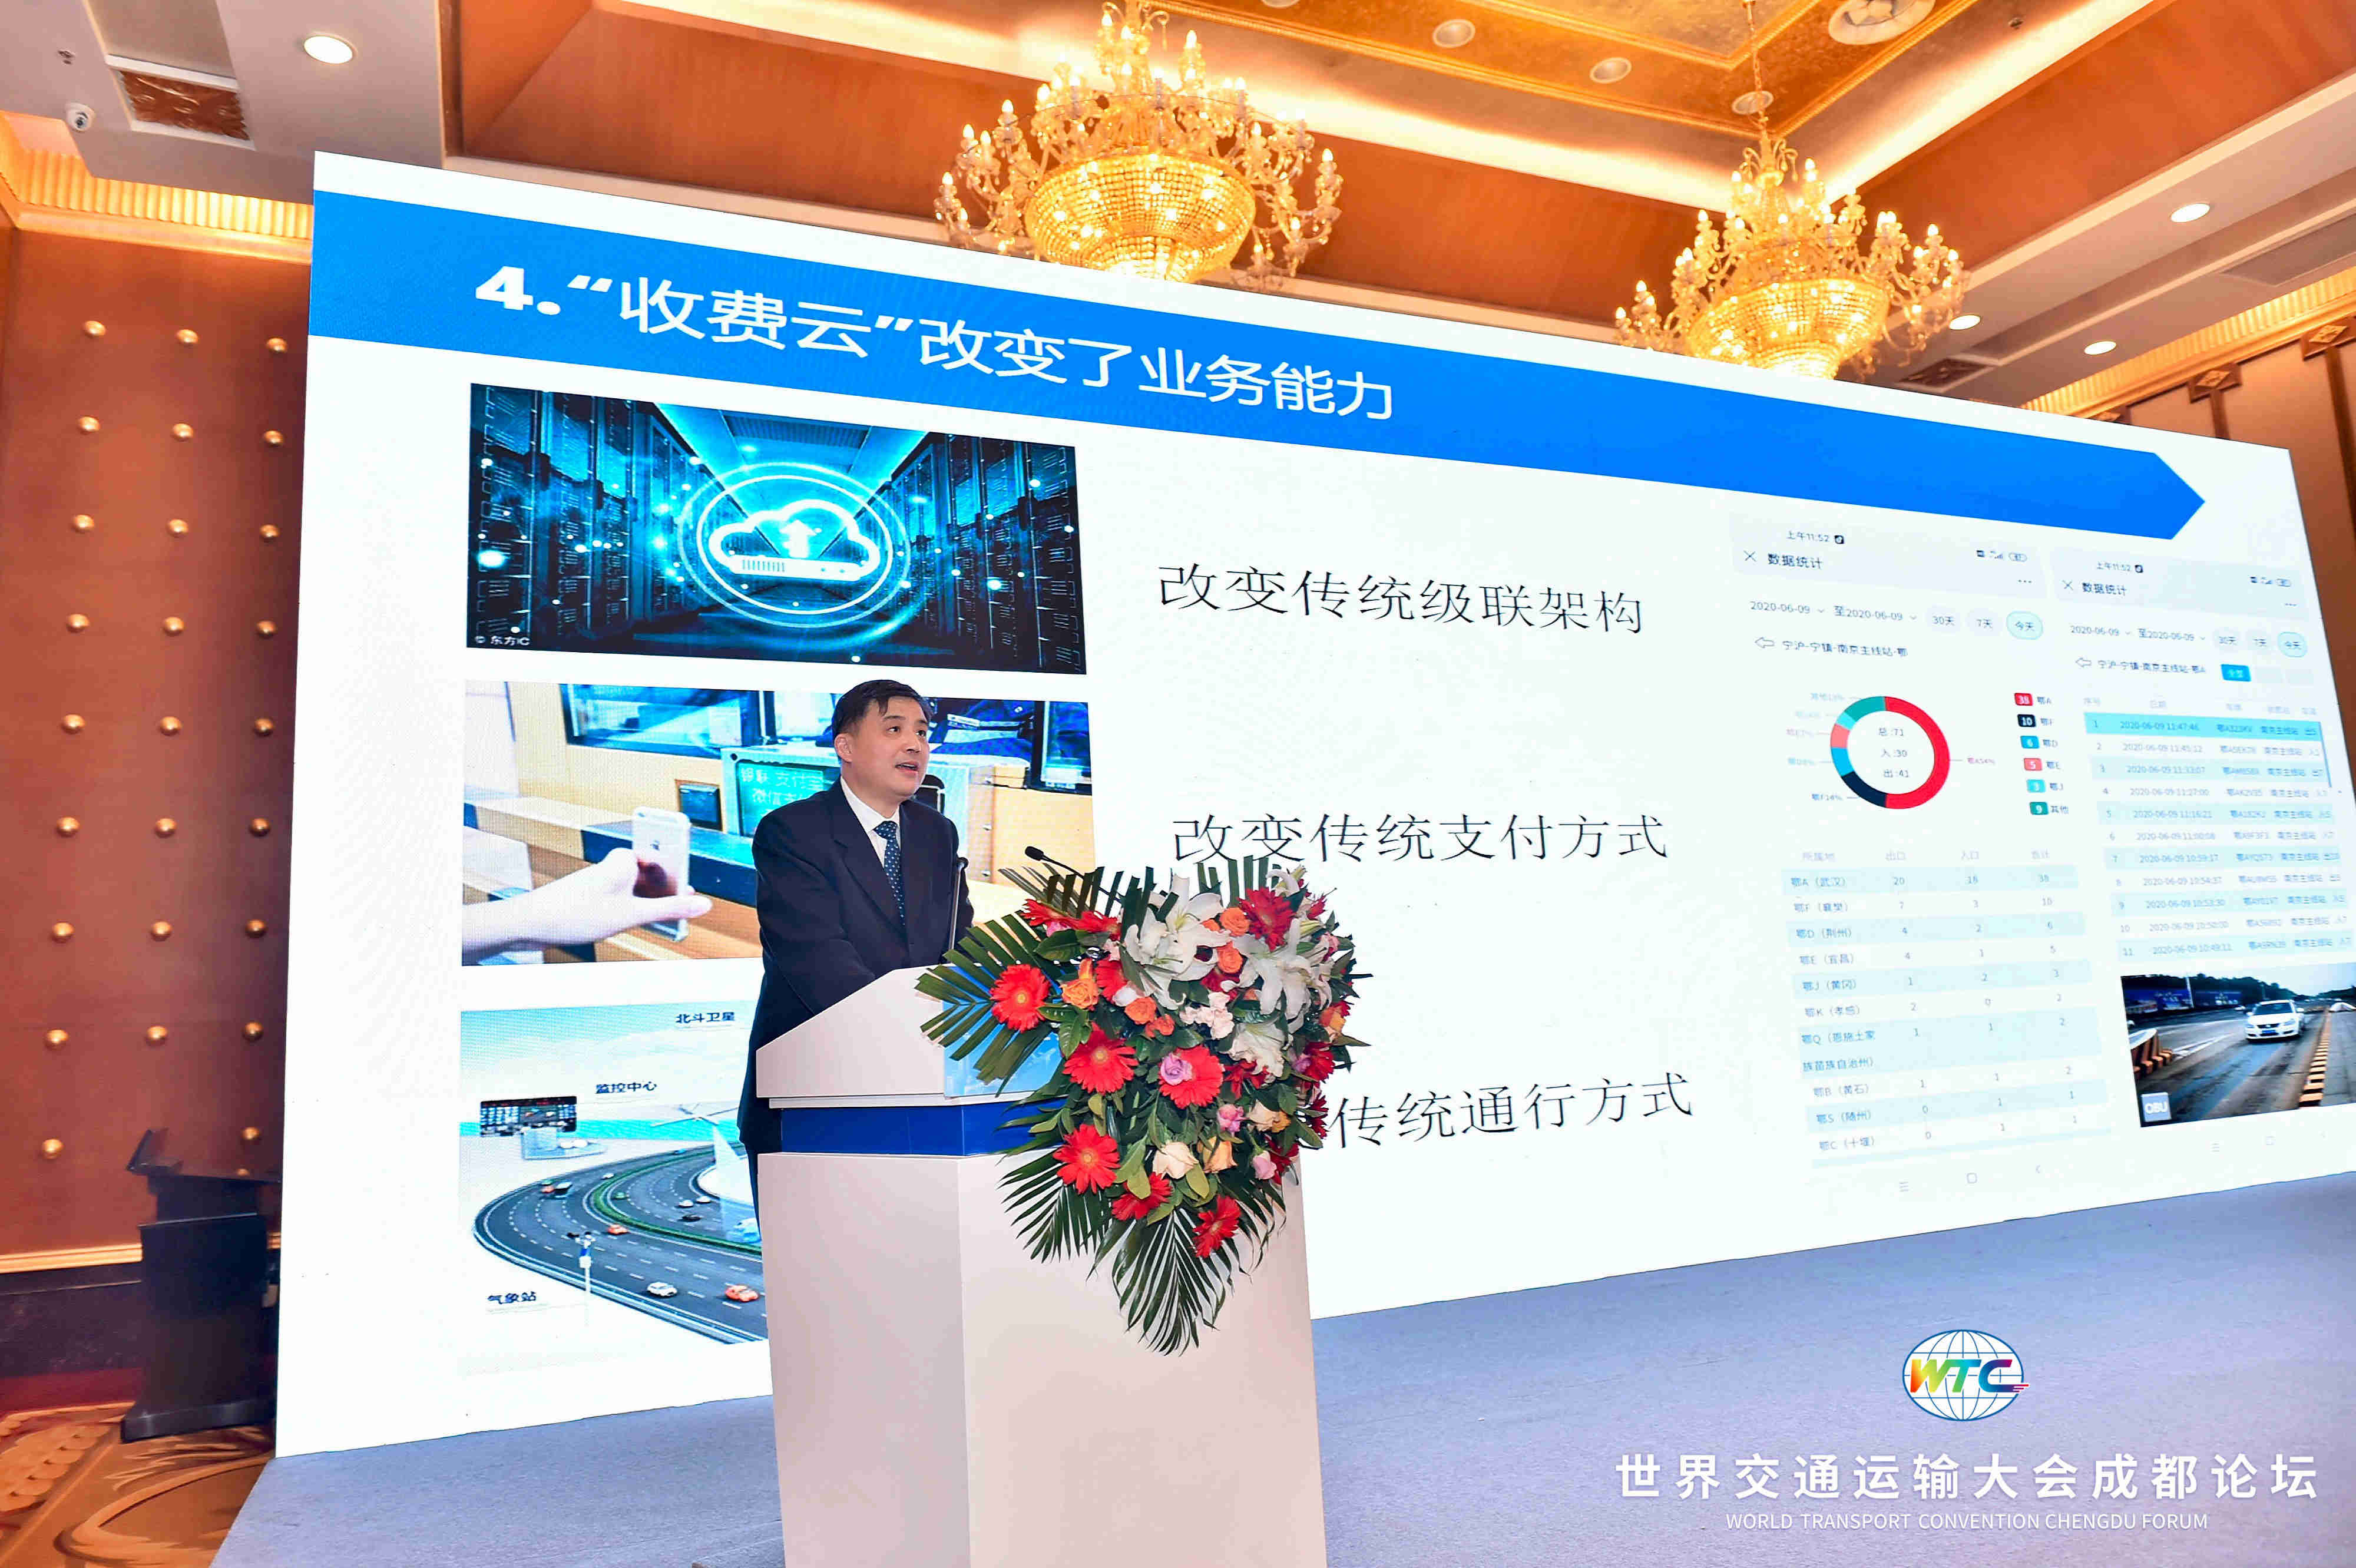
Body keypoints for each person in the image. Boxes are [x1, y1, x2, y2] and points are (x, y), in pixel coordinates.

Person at [737, 679, 974, 1165]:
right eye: (894, 729)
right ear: (845, 747)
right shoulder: (793, 832)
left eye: (922, 733)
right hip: (812, 1097)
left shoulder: (937, 833)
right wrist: (917, 1036)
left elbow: (961, 947)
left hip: (924, 1104)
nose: (915, 745)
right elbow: (821, 963)